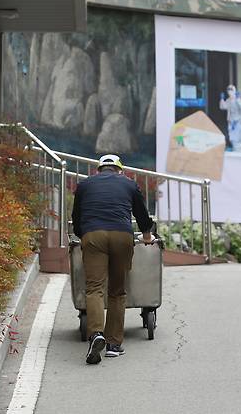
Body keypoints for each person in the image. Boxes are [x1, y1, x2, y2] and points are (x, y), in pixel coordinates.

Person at [71, 154, 154, 365]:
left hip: (93, 235)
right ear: (119, 170)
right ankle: (114, 345)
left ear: (98, 170)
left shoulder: (85, 185)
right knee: (117, 291)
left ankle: (96, 334)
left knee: (94, 288)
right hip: (122, 236)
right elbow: (141, 214)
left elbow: (77, 218)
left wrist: (86, 237)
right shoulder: (129, 184)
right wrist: (146, 235)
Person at [219, 85, 241, 152]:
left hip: (237, 123)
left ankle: (238, 155)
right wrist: (222, 99)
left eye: (231, 89)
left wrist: (238, 99)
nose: (229, 91)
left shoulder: (238, 99)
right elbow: (223, 107)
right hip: (231, 123)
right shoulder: (228, 100)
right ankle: (236, 154)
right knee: (232, 139)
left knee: (237, 141)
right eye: (228, 89)